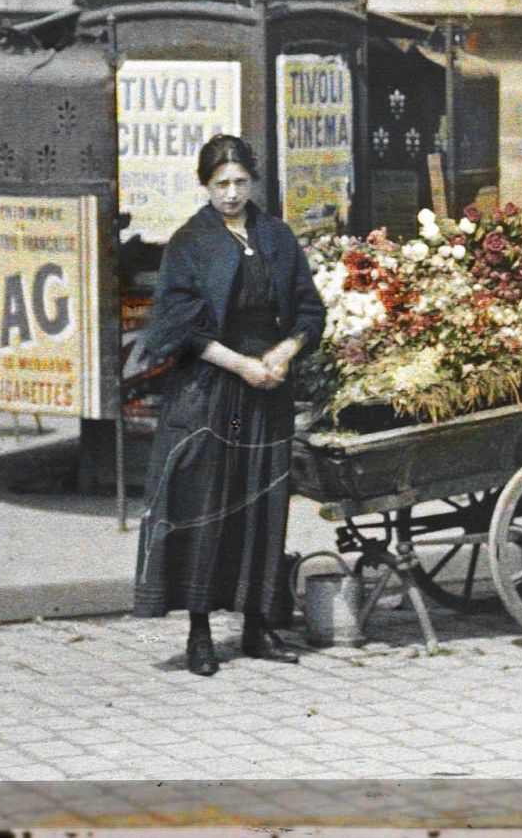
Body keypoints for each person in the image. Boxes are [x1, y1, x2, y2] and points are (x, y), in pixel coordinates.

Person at [132, 134, 325, 676]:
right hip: (212, 392)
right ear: (205, 186)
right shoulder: (189, 243)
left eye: (241, 182)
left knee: (262, 506)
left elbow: (310, 309)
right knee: (205, 504)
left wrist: (284, 353)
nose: (233, 193)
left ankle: (258, 626)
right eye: (222, 185)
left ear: (253, 182)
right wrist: (242, 364)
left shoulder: (277, 237)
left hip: (269, 391)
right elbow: (177, 325)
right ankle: (199, 634)